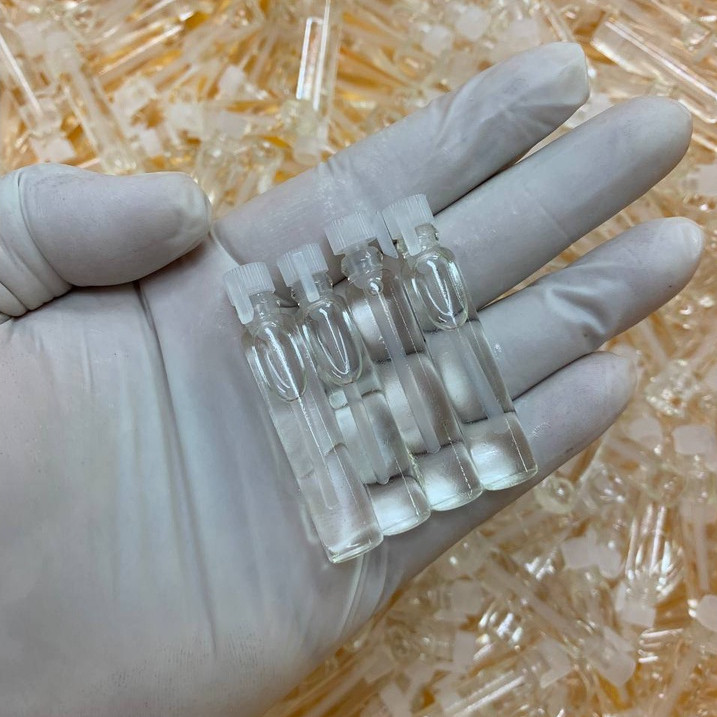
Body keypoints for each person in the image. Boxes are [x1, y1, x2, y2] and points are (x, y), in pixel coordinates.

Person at [0, 43, 703, 716]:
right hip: (338, 513)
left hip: (398, 473)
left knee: (436, 389)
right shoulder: (277, 330)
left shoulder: (403, 277)